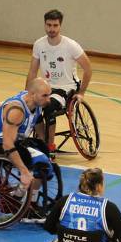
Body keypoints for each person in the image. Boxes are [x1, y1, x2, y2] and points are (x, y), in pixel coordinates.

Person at [26, 9, 93, 151]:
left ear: (60, 26)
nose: (51, 29)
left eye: (55, 25)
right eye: (49, 25)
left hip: (66, 88)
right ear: (45, 25)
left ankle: (50, 146)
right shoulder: (39, 44)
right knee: (31, 104)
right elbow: (32, 71)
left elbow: (88, 69)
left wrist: (81, 93)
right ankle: (42, 140)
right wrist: (27, 92)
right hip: (46, 87)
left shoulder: (71, 45)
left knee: (48, 106)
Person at [0, 78, 55, 201]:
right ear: (32, 94)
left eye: (49, 95)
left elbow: (37, 120)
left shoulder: (36, 103)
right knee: (41, 163)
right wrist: (24, 172)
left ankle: (28, 198)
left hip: (15, 140)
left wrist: (43, 143)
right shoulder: (16, 110)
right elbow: (7, 144)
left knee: (43, 152)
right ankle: (21, 198)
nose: (48, 99)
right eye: (45, 95)